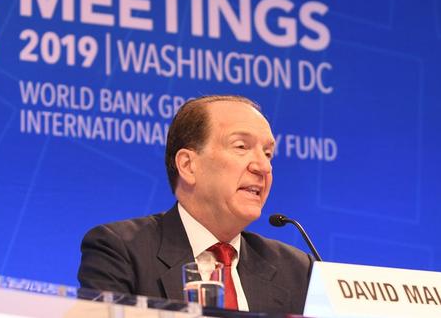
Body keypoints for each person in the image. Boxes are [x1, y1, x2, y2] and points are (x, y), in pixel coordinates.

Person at [78, 95, 313, 314]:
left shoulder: (297, 270)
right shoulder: (121, 251)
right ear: (188, 165)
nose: (263, 167)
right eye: (241, 147)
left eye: (268, 153)